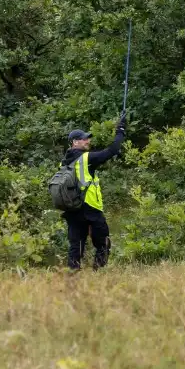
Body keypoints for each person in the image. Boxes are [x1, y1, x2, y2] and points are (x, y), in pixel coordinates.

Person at [61, 113, 126, 270]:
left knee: (76, 248)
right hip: (90, 208)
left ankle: (72, 279)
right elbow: (112, 150)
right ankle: (99, 273)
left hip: (72, 209)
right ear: (75, 142)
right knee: (103, 243)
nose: (88, 141)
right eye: (84, 139)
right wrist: (121, 130)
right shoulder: (86, 159)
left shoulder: (64, 162)